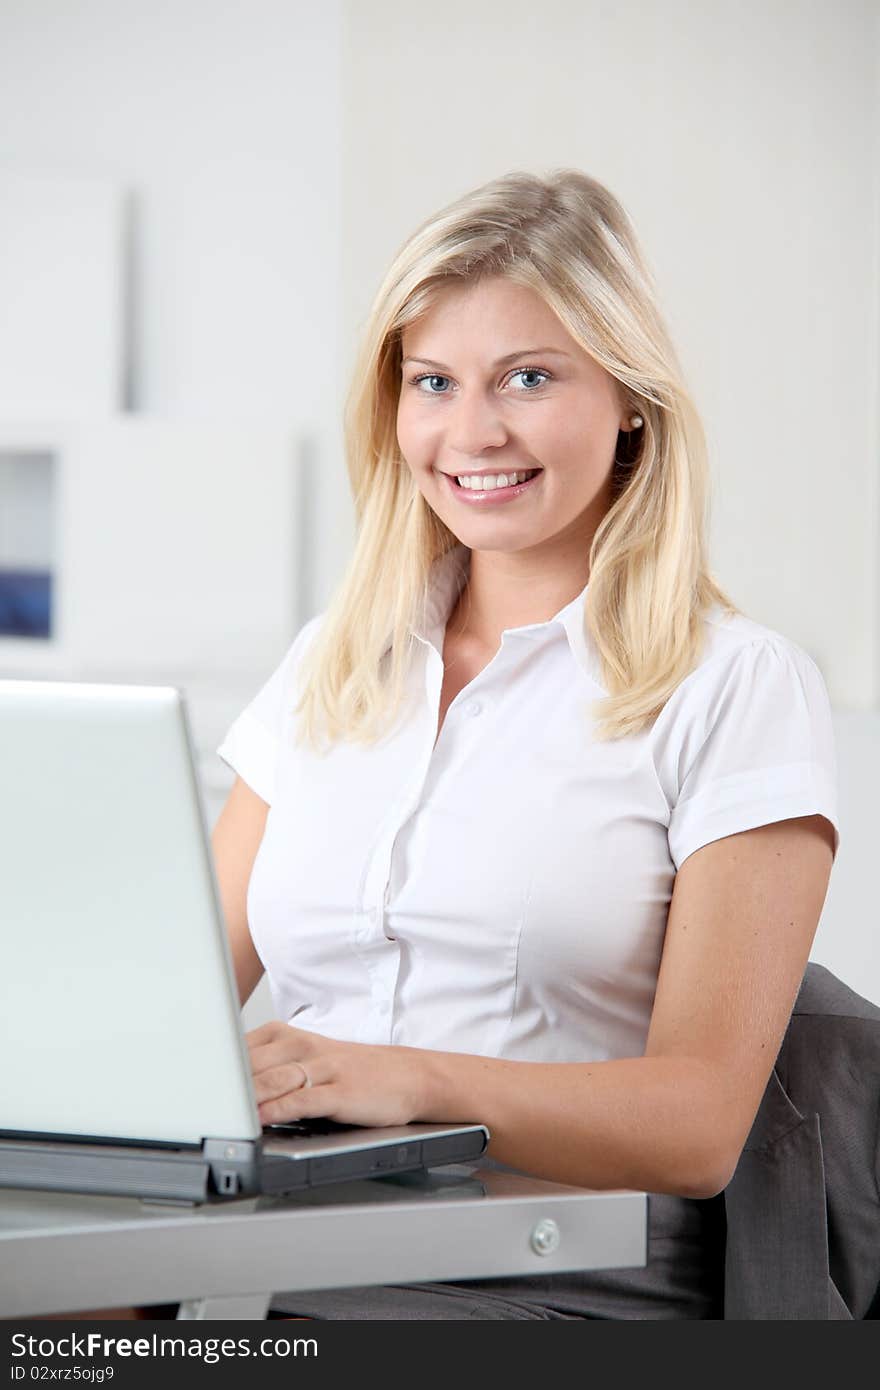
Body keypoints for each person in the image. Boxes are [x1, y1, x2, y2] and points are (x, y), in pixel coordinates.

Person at [210, 168, 839, 1320]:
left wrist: (405, 1082)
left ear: (631, 401)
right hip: (265, 1253)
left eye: (529, 378)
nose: (470, 432)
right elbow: (177, 998)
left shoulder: (735, 686)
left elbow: (701, 1126)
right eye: (433, 382)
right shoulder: (333, 664)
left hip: (543, 1279)